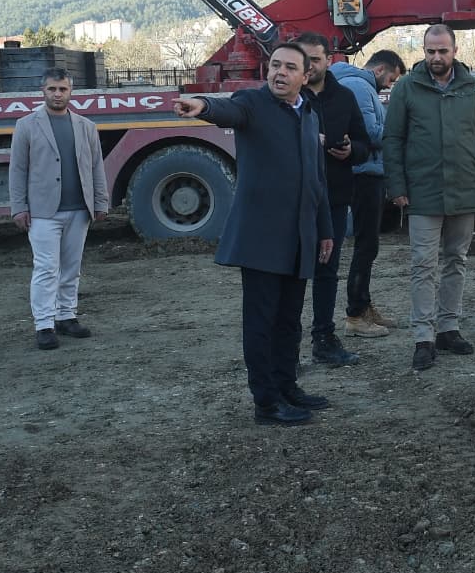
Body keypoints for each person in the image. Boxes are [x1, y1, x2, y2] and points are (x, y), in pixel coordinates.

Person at [173, 42, 334, 426]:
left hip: (299, 237)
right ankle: (266, 403)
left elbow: (317, 179)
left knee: (290, 320)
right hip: (262, 237)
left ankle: (287, 386)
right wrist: (203, 106)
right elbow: (228, 109)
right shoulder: (252, 104)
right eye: (275, 65)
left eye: (289, 67)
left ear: (305, 75)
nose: (279, 73)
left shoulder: (309, 113)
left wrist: (325, 230)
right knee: (261, 323)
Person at [381, 25, 475, 372]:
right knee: (423, 265)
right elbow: (393, 138)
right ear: (423, 51)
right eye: (430, 51)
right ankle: (423, 337)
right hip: (422, 192)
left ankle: (448, 328)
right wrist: (396, 186)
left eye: (443, 51)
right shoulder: (407, 88)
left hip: (463, 189)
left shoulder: (473, 88)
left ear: (455, 49)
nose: (436, 58)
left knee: (456, 259)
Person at [8, 67, 111, 351]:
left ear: (70, 92)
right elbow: (18, 169)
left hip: (79, 209)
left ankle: (66, 316)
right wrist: (19, 207)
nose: (57, 94)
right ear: (43, 91)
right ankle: (44, 324)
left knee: (71, 268)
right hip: (43, 211)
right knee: (45, 268)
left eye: (62, 89)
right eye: (52, 89)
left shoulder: (86, 126)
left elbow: (95, 167)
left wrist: (100, 202)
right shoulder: (26, 125)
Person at [293, 33, 372, 367]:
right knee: (291, 273)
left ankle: (324, 340)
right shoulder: (287, 99)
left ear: (328, 61)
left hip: (335, 198)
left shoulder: (344, 98)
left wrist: (352, 149)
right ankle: (288, 347)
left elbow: (365, 143)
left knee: (327, 272)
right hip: (293, 201)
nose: (310, 66)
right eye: (304, 59)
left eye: (316, 59)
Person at [328, 48, 407, 339]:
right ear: (380, 70)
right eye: (391, 79)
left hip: (362, 173)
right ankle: (355, 315)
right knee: (366, 246)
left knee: (366, 244)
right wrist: (396, 131)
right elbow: (368, 132)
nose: (389, 85)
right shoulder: (360, 86)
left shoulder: (348, 82)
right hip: (364, 174)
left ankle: (362, 306)